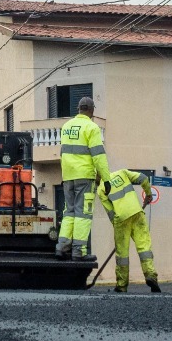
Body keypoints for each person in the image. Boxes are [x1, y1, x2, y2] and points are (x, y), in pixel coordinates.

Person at [56, 95, 108, 260]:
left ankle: (62, 247)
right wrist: (106, 179)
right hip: (84, 176)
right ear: (91, 110)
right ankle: (79, 252)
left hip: (68, 176)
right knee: (83, 214)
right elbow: (99, 156)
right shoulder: (91, 127)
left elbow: (62, 153)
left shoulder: (66, 126)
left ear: (78, 109)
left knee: (69, 212)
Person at [97, 167, 161, 294]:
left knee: (122, 255)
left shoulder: (101, 189)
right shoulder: (122, 173)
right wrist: (148, 194)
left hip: (121, 219)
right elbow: (143, 178)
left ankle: (121, 285)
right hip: (137, 213)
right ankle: (151, 276)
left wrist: (118, 229)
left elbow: (110, 213)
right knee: (144, 248)